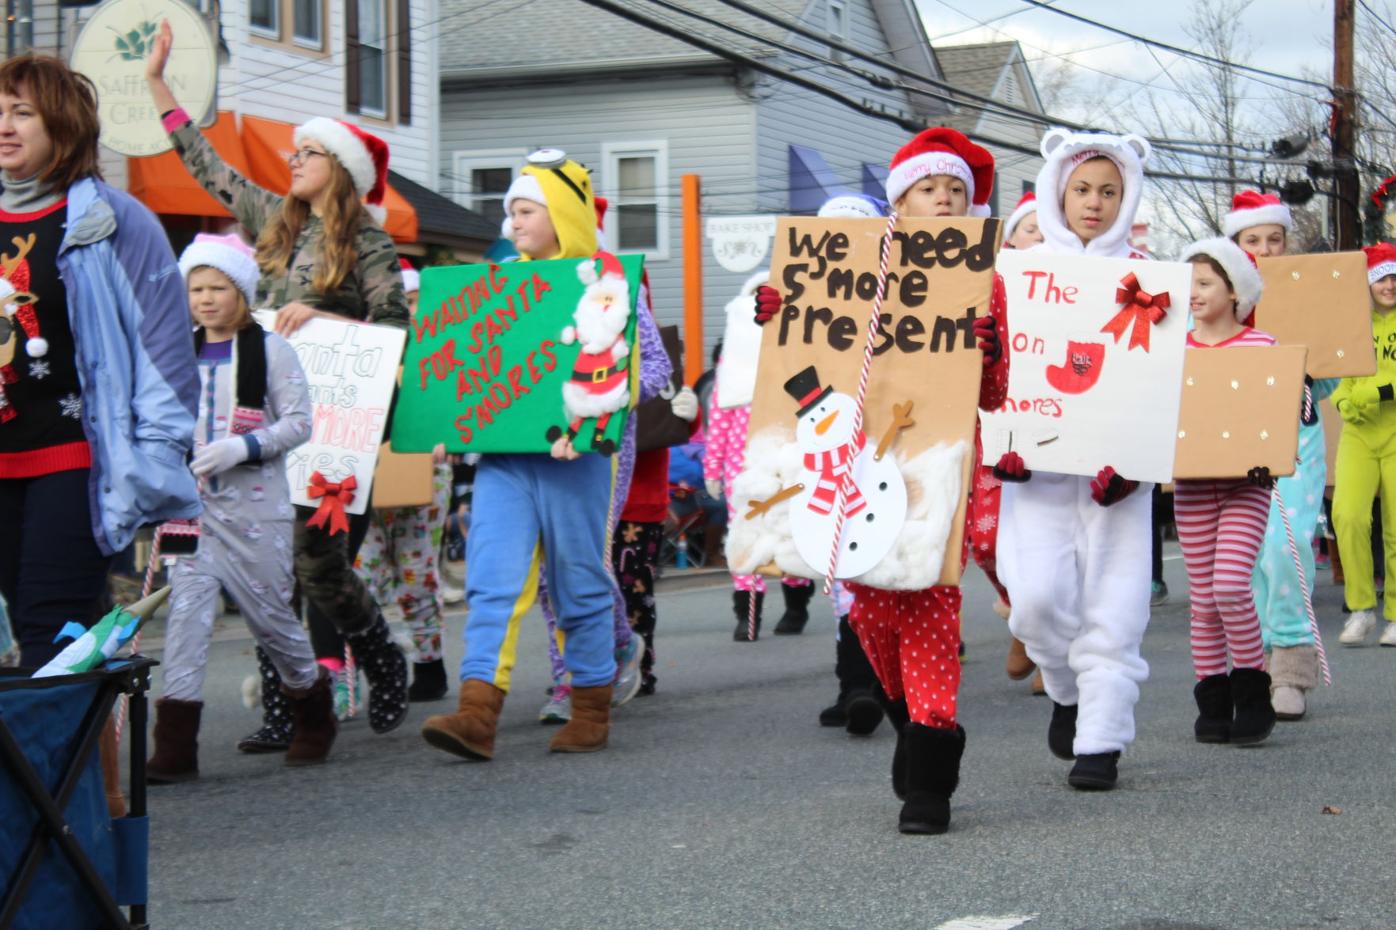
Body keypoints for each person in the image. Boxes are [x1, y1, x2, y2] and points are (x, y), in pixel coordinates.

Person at [146, 21, 412, 739]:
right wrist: (159, 89)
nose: (292, 161)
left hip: (338, 433)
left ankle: (383, 660)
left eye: (309, 152)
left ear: (344, 168)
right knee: (267, 570)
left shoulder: (371, 243)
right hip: (263, 427)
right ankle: (287, 709)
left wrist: (322, 312)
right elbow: (209, 169)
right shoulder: (275, 222)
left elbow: (395, 330)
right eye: (292, 152)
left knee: (320, 569)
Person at [755, 128, 1008, 834]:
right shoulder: (853, 267)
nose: (945, 200)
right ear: (899, 202)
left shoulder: (988, 279)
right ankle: (914, 723)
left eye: (957, 190)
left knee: (928, 612)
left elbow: (994, 393)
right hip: (854, 467)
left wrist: (989, 351)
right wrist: (780, 315)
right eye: (930, 188)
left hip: (937, 470)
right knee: (871, 617)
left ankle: (929, 776)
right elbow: (797, 357)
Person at [0, 54, 201, 817]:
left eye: (21, 110)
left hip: (76, 464)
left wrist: (156, 465)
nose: (4, 125)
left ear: (65, 124)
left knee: (56, 640)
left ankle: (64, 829)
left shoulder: (113, 222)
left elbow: (164, 356)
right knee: (31, 645)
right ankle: (80, 805)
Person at [420, 149, 666, 759]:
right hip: (505, 460)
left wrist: (604, 399)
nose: (513, 224)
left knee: (577, 582)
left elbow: (655, 367)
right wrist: (450, 415)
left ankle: (591, 708)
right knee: (490, 578)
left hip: (578, 458)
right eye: (510, 213)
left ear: (560, 211)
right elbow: (468, 370)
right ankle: (477, 712)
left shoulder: (609, 281)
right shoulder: (494, 287)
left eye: (526, 210)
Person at [994, 128, 1155, 792]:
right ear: (1058, 191)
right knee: (1032, 601)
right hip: (1034, 469)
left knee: (1113, 605)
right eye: (1083, 189)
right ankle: (1062, 684)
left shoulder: (1149, 278)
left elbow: (1162, 377)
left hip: (1118, 475)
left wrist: (1138, 458)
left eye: (1110, 191)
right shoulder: (1017, 274)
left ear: (1129, 197)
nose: (1095, 203)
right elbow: (987, 365)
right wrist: (1002, 432)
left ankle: (1102, 738)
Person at [148, 233, 334, 781]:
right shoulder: (173, 349)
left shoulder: (273, 349)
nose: (206, 299)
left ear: (243, 292)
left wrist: (242, 446)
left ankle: (313, 715)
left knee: (271, 620)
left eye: (218, 287)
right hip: (188, 510)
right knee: (185, 619)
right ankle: (176, 747)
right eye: (196, 288)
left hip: (257, 512)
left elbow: (299, 423)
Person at [1225, 191, 1333, 719]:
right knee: (1249, 556)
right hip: (1237, 435)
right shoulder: (1223, 301)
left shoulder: (1311, 298)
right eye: (1253, 240)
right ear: (1236, 246)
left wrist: (1313, 370)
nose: (1264, 249)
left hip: (1298, 432)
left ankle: (1291, 664)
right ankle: (1259, 659)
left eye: (1274, 239)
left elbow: (1336, 367)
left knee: (1284, 549)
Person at [1173, 237, 1278, 745]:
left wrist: (1275, 454)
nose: (1194, 293)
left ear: (1235, 290)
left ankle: (1254, 694)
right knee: (1204, 601)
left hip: (1246, 484)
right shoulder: (1172, 347)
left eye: (1206, 282)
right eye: (1188, 283)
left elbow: (1280, 415)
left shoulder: (1264, 347)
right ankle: (1212, 701)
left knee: (1231, 585)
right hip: (1191, 485)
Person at [350, 258, 453, 703]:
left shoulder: (443, 352)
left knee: (415, 575)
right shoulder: (359, 347)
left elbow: (465, 408)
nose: (407, 310)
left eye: (413, 300)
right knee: (362, 577)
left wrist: (445, 440)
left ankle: (429, 666)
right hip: (361, 480)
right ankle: (364, 669)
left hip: (423, 479)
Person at [705, 274, 816, 642]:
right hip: (742, 468)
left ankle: (796, 602)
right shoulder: (731, 373)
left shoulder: (796, 366)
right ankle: (746, 611)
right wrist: (712, 469)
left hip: (789, 460)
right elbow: (719, 420)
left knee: (790, 528)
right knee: (746, 533)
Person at [972, 188, 1043, 691]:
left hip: (1062, 418)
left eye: (1047, 225)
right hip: (993, 421)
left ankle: (1055, 654)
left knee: (1065, 548)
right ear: (1011, 237)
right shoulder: (988, 281)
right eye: (1029, 227)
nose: (1039, 235)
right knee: (986, 538)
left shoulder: (1088, 280)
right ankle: (1026, 619)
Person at [1332, 243, 1396, 647]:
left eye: (1395, 277)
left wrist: (1376, 394)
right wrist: (1341, 400)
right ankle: (1360, 609)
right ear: (1368, 284)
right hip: (1358, 434)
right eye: (1382, 278)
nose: (1390, 285)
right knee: (1348, 516)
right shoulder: (1353, 324)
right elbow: (1339, 376)